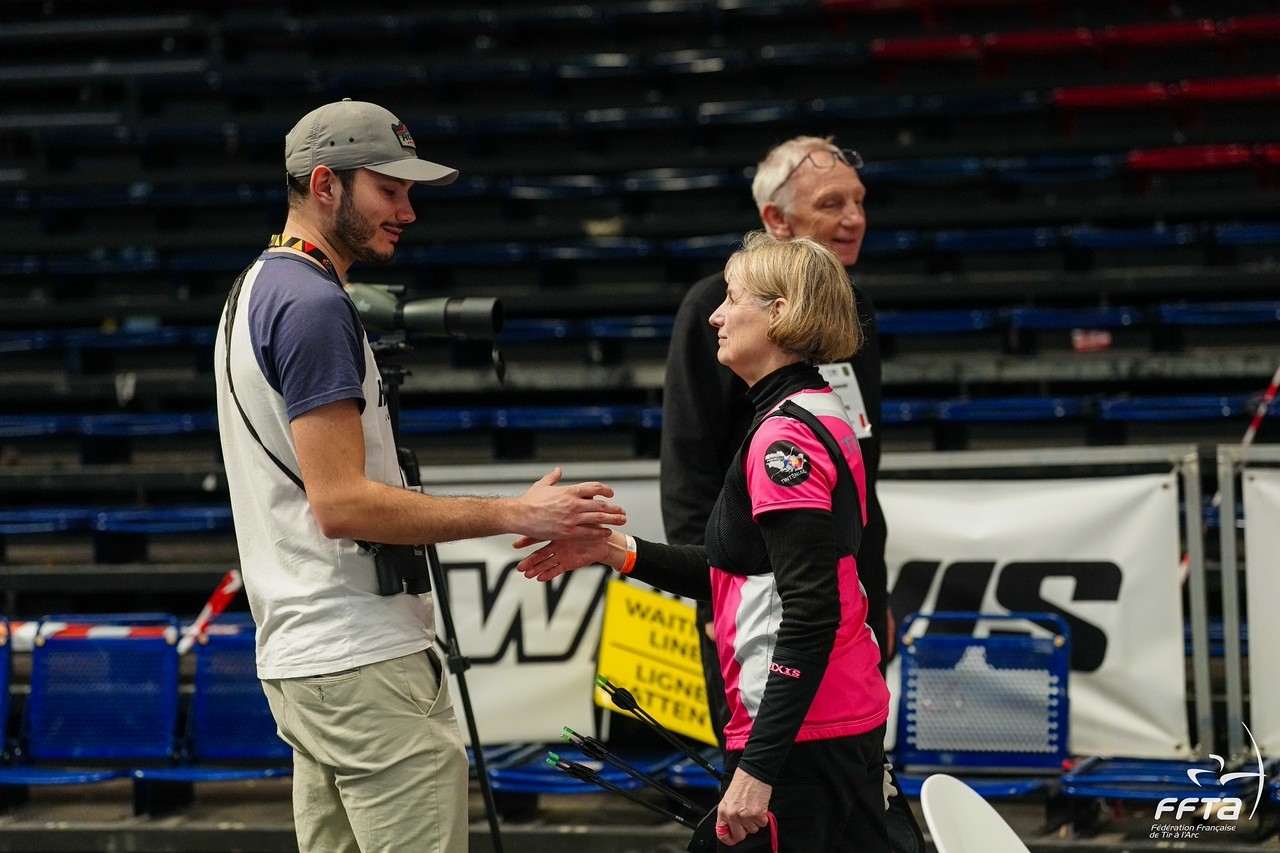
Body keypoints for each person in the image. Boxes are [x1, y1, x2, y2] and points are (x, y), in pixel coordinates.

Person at [213, 99, 626, 853]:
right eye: (389, 190)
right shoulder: (311, 304)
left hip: (308, 656)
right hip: (359, 653)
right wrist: (516, 513)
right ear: (326, 184)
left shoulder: (256, 288)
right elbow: (342, 504)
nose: (407, 211)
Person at [516, 231, 892, 852]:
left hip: (801, 736)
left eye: (732, 298)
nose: (715, 315)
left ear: (779, 313)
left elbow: (810, 609)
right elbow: (742, 570)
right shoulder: (813, 410)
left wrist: (758, 769)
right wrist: (611, 550)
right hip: (831, 721)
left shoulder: (786, 439)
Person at [661, 136, 891, 748]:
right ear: (776, 219)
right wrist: (712, 601)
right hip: (758, 601)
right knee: (767, 771)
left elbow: (861, 467)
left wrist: (877, 586)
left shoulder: (856, 306)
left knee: (846, 761)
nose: (854, 219)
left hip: (846, 598)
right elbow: (688, 468)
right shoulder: (716, 310)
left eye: (860, 201)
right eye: (832, 203)